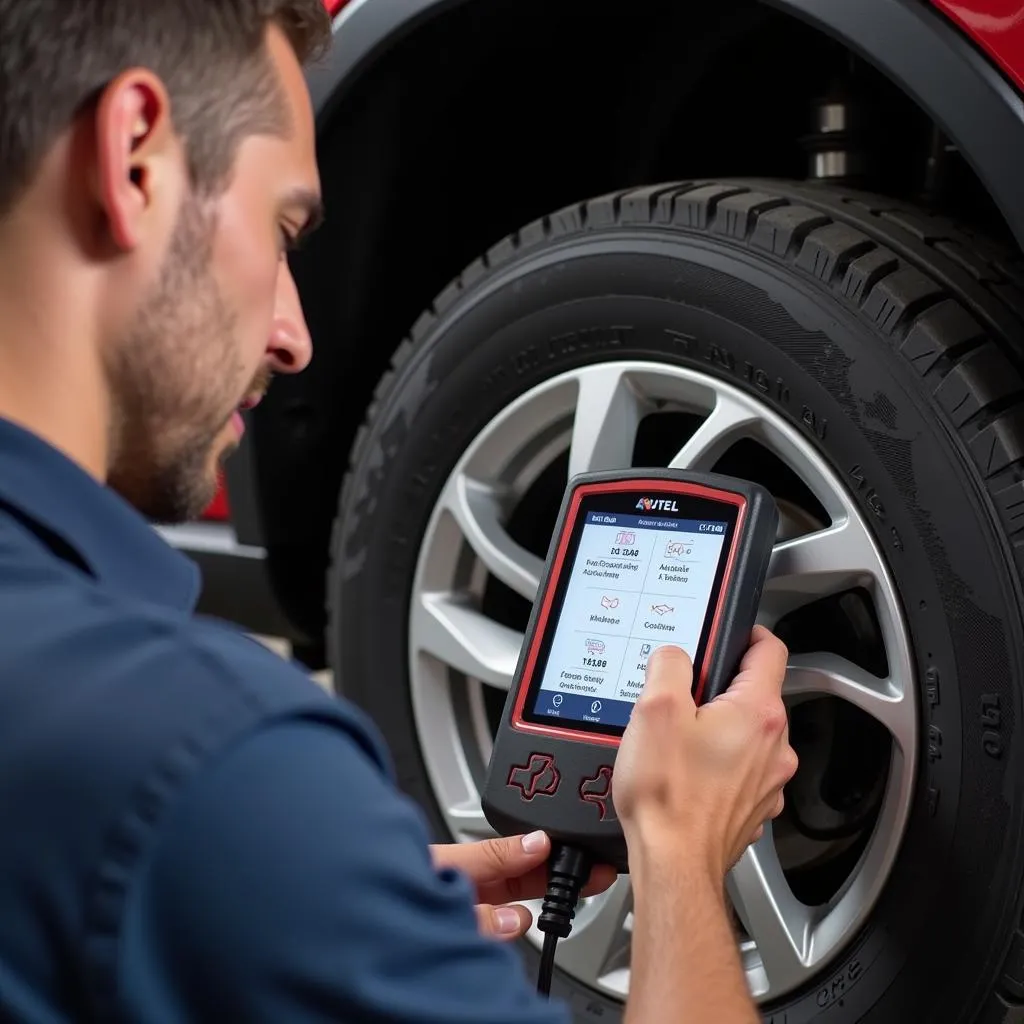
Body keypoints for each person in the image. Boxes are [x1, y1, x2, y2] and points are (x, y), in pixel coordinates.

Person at [0, 2, 799, 1022]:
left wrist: (304, 905)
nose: (293, 337)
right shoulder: (214, 760)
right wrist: (682, 853)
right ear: (135, 158)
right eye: (284, 230)